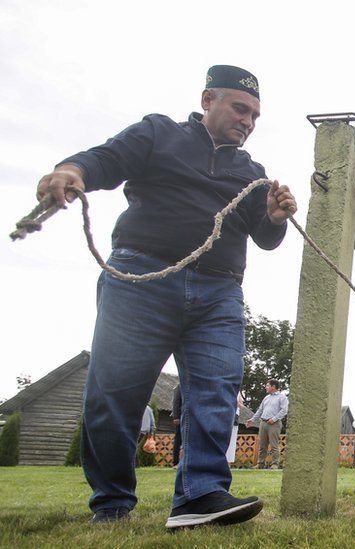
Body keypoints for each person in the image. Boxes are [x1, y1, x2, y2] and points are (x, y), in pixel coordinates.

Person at [35, 65, 297, 527]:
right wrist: (71, 170)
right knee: (114, 393)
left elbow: (265, 238)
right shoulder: (158, 133)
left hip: (220, 292)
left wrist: (274, 217)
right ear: (207, 99)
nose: (248, 121)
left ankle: (200, 494)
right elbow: (106, 159)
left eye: (255, 115)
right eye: (240, 108)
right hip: (142, 277)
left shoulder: (252, 172)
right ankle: (112, 501)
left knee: (217, 392)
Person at [245, 380, 289, 469]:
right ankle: (260, 464)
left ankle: (275, 464)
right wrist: (252, 420)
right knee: (262, 445)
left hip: (274, 424)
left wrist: (274, 419)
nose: (266, 387)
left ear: (273, 386)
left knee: (274, 445)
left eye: (267, 385)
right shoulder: (266, 398)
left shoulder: (282, 397)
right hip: (263, 423)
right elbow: (260, 410)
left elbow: (284, 411)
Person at [226, 393, 244, 464]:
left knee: (231, 440)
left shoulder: (238, 392)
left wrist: (236, 403)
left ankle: (228, 462)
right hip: (223, 414)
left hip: (234, 416)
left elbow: (242, 406)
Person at [171, 384, 182, 467]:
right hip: (181, 417)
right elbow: (176, 401)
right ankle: (175, 462)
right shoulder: (179, 386)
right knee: (178, 439)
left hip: (192, 416)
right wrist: (176, 417)